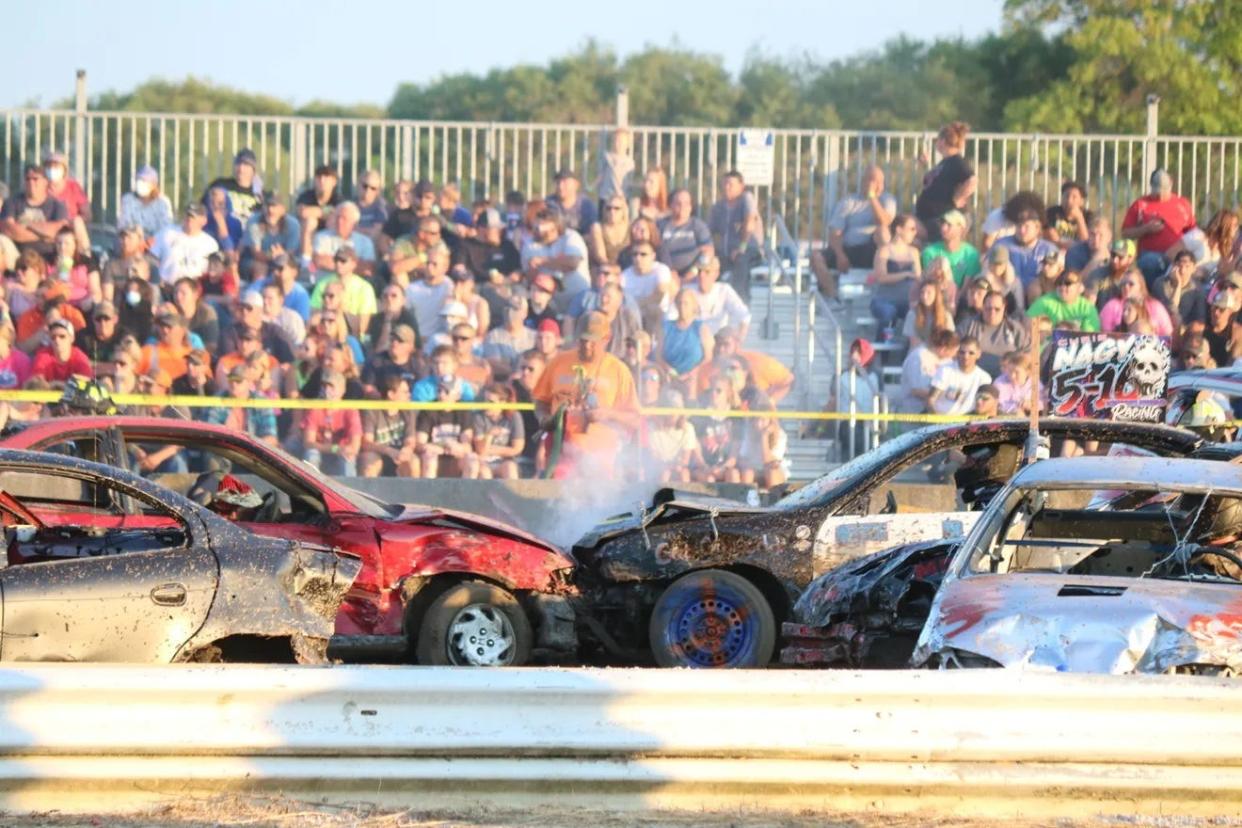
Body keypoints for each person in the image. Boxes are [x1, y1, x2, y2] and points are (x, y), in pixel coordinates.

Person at [532, 311, 640, 480]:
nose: (587, 346)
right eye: (582, 340)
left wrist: (607, 414)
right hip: (561, 455)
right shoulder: (558, 362)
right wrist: (544, 418)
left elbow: (635, 419)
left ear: (607, 338)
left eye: (593, 341)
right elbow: (540, 401)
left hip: (599, 461)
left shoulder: (618, 370)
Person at [814, 165, 897, 299]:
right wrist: (840, 255)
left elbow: (884, 221)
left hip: (873, 251)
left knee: (882, 232)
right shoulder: (848, 201)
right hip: (848, 250)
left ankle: (883, 283)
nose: (874, 185)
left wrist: (872, 197)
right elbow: (835, 232)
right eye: (870, 180)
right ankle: (832, 296)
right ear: (863, 182)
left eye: (878, 181)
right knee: (816, 257)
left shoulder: (887, 200)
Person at [1122, 169, 1196, 286]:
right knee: (1150, 262)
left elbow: (1192, 233)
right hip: (1150, 255)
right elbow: (1125, 233)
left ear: (1171, 185)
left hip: (1178, 257)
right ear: (1151, 186)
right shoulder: (1140, 204)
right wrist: (1146, 229)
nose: (1160, 195)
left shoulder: (1183, 204)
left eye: (1164, 191)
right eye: (1157, 191)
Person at [708, 170, 763, 303]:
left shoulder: (746, 199)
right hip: (725, 254)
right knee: (709, 265)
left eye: (731, 184)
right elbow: (708, 231)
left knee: (741, 260)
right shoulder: (718, 207)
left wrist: (741, 247)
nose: (727, 187)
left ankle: (741, 303)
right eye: (725, 183)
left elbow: (749, 221)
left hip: (748, 250)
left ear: (741, 186)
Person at [915, 122, 976, 241]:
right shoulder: (945, 162)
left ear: (942, 141)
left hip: (944, 220)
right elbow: (936, 183)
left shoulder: (956, 161)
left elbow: (972, 180)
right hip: (932, 218)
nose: (935, 143)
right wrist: (925, 166)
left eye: (937, 139)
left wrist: (958, 198)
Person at [521, 207, 590, 304]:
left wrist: (542, 261)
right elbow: (529, 278)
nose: (538, 231)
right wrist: (533, 269)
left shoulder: (571, 237)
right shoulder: (530, 245)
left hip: (578, 298)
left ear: (555, 227)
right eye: (536, 227)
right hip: (548, 302)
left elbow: (573, 263)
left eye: (542, 227)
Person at [870, 214, 922, 338]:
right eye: (911, 229)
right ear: (899, 229)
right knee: (888, 313)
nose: (915, 232)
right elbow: (881, 277)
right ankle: (884, 352)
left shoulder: (914, 252)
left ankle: (907, 351)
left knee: (918, 316)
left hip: (907, 300)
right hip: (885, 299)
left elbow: (918, 277)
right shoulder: (884, 251)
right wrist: (906, 274)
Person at [416, 375, 478, 479]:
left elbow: (467, 445)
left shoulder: (464, 411)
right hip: (435, 453)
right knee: (429, 457)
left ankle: (466, 494)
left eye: (446, 391)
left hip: (455, 454)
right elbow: (420, 443)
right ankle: (428, 494)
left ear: (457, 395)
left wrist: (457, 447)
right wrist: (444, 446)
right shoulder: (428, 410)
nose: (441, 394)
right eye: (439, 390)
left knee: (472, 460)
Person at [0, 164, 68, 259]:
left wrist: (27, 225)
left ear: (45, 182)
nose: (31, 182)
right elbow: (9, 230)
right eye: (28, 179)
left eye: (35, 179)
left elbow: (57, 232)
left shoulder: (57, 205)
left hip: (49, 256)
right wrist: (44, 235)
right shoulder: (11, 202)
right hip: (17, 256)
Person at [300, 371, 362, 476]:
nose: (327, 390)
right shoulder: (315, 408)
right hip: (320, 451)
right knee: (311, 454)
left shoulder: (350, 411)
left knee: (348, 457)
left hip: (341, 453)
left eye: (332, 387)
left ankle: (348, 490)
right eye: (325, 386)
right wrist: (334, 448)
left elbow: (355, 447)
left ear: (342, 390)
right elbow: (308, 442)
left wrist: (343, 450)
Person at [359, 373, 419, 478]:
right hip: (379, 452)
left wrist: (407, 449)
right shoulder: (372, 411)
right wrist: (389, 451)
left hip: (399, 454)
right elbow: (367, 443)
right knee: (368, 459)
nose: (409, 395)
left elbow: (410, 439)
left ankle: (412, 494)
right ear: (391, 394)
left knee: (413, 461)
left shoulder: (408, 411)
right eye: (405, 392)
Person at [994, 194, 1059, 288]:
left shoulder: (1048, 249)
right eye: (1019, 226)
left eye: (1026, 226)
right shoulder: (1002, 244)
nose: (1022, 230)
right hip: (1007, 291)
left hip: (1037, 294)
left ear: (1037, 228)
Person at [961, 290, 1030, 377]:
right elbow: (955, 348)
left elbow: (1029, 353)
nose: (992, 313)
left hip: (1007, 379)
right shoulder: (968, 325)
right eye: (988, 308)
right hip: (973, 377)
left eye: (997, 309)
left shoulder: (1014, 328)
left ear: (1004, 308)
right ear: (982, 307)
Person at [833, 338, 882, 459]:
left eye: (859, 352)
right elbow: (832, 402)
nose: (854, 355)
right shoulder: (842, 377)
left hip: (869, 424)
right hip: (847, 423)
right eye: (853, 351)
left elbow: (881, 402)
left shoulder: (875, 377)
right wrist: (819, 428)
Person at [206, 365, 279, 445]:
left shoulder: (261, 402)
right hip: (221, 450)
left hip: (251, 453)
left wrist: (252, 449)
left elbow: (270, 437)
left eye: (238, 381)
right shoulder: (218, 400)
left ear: (249, 382)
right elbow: (210, 432)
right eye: (231, 379)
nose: (234, 384)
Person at [685, 253, 750, 339]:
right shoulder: (686, 291)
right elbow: (671, 316)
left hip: (718, 344)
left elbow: (744, 315)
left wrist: (739, 339)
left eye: (707, 272)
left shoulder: (724, 290)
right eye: (699, 271)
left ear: (716, 274)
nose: (701, 275)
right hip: (693, 343)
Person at [152, 203, 219, 284]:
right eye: (188, 215)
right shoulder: (167, 232)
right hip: (165, 286)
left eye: (194, 216)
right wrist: (158, 280)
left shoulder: (210, 244)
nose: (189, 219)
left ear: (204, 220)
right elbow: (152, 257)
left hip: (194, 289)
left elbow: (213, 270)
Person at [659, 289, 714, 385]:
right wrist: (668, 370)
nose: (682, 307)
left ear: (693, 306)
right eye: (679, 303)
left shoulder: (701, 328)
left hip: (694, 379)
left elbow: (708, 358)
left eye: (686, 303)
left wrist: (690, 374)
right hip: (668, 376)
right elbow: (657, 355)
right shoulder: (666, 327)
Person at [622, 240, 677, 337]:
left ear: (653, 256)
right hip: (632, 317)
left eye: (643, 254)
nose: (638, 258)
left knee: (653, 309)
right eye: (635, 254)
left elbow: (658, 296)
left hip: (660, 316)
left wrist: (635, 306)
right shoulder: (625, 275)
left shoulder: (661, 270)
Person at [472, 382, 526, 480]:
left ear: (503, 402)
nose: (486, 404)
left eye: (491, 402)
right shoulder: (479, 417)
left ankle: (512, 495)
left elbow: (517, 448)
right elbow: (481, 451)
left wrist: (493, 450)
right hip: (484, 462)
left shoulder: (514, 416)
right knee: (484, 473)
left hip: (505, 461)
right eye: (484, 400)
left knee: (510, 469)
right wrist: (489, 435)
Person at [897, 328, 957, 415]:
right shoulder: (918, 357)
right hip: (917, 412)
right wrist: (947, 396)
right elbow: (917, 390)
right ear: (943, 349)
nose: (955, 355)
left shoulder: (947, 360)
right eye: (954, 352)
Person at [242, 192, 301, 278]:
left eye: (274, 206)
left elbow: (291, 252)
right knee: (261, 268)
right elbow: (256, 253)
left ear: (283, 209)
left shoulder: (293, 224)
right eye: (267, 206)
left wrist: (281, 256)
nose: (270, 210)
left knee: (287, 270)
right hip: (256, 260)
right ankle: (256, 290)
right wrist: (271, 256)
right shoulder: (254, 222)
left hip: (285, 259)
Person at [928, 336, 992, 416]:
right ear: (957, 353)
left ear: (978, 354)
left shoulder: (984, 378)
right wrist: (937, 419)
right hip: (940, 418)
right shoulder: (945, 370)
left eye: (971, 353)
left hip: (966, 421)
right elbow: (931, 399)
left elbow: (984, 406)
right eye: (962, 352)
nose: (966, 357)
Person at [657, 189, 714, 277]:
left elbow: (708, 251)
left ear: (691, 207)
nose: (682, 207)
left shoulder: (698, 226)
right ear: (670, 205)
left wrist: (693, 272)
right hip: (665, 275)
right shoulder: (660, 225)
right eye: (678, 203)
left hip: (693, 275)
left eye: (686, 203)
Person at [1099, 271, 1175, 336]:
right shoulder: (1111, 306)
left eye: (1131, 284)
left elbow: (1168, 336)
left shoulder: (1156, 306)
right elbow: (1105, 336)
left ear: (1141, 286)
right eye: (1123, 284)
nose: (1126, 287)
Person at [737, 394, 788, 489]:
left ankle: (774, 501)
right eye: (757, 420)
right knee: (747, 472)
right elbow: (742, 457)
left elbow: (768, 461)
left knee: (771, 472)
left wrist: (764, 436)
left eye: (763, 420)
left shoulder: (780, 435)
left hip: (772, 471)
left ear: (770, 421)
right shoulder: (749, 432)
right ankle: (744, 501)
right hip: (753, 469)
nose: (760, 423)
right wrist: (747, 464)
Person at [453, 207, 521, 279]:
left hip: (506, 284)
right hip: (477, 286)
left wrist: (515, 275)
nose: (499, 232)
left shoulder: (506, 245)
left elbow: (518, 268)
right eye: (495, 228)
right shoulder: (466, 245)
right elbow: (459, 268)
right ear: (482, 229)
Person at [312, 202, 377, 276]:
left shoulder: (365, 242)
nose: (339, 221)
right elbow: (319, 261)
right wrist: (354, 263)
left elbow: (368, 269)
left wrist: (333, 261)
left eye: (344, 218)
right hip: (326, 283)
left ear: (354, 224)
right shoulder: (322, 237)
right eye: (338, 217)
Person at [920, 209, 980, 287]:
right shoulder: (929, 252)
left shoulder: (971, 254)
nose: (943, 228)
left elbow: (967, 285)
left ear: (961, 228)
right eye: (942, 224)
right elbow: (930, 281)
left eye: (949, 225)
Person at [1154, 249, 1208, 334]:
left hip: (1185, 331)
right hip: (1163, 327)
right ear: (1174, 266)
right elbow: (1171, 310)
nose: (1183, 271)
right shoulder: (1161, 283)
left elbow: (1200, 317)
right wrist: (1178, 285)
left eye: (1187, 266)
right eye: (1179, 266)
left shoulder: (1197, 289)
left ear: (1194, 269)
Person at [405, 243, 454, 337]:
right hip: (418, 339)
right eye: (428, 263)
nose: (429, 267)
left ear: (445, 267)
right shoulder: (412, 289)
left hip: (441, 340)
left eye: (434, 264)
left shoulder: (449, 286)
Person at [1026, 271, 1101, 332]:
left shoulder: (1087, 308)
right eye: (1059, 283)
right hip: (1047, 348)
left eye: (1068, 283)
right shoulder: (1044, 302)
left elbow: (1090, 337)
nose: (1062, 287)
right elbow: (1027, 326)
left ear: (1080, 288)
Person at [202, 149, 263, 224]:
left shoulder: (259, 195)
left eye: (246, 165)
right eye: (238, 163)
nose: (241, 168)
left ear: (253, 170)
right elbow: (203, 208)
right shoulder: (220, 185)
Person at [119, 165, 174, 240]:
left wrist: (151, 241)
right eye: (138, 180)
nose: (140, 183)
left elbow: (166, 228)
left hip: (156, 243)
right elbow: (123, 225)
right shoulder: (128, 200)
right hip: (133, 242)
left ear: (154, 185)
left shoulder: (163, 202)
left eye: (144, 181)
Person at [31, 318, 91, 385]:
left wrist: (58, 384)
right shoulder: (43, 355)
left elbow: (87, 382)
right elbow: (36, 382)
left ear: (72, 338)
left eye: (62, 336)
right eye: (53, 337)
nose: (57, 340)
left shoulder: (80, 357)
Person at [904, 277, 954, 349]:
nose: (925, 296)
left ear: (936, 295)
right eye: (922, 292)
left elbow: (949, 340)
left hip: (940, 353)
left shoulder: (946, 316)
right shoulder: (912, 314)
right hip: (918, 353)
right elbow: (914, 342)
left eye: (929, 293)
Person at [546, 169, 597, 235]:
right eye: (558, 182)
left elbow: (592, 231)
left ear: (576, 185)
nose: (560, 187)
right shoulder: (548, 204)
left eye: (565, 182)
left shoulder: (586, 205)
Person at [1045, 180, 1094, 249]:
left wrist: (1079, 218)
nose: (1069, 200)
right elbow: (1051, 236)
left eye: (1074, 197)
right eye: (1066, 196)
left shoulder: (1088, 216)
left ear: (1081, 201)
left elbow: (1086, 240)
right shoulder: (1053, 212)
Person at [597, 127, 635, 206]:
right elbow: (601, 175)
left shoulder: (629, 162)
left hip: (622, 198)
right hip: (606, 196)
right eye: (616, 140)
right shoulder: (607, 157)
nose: (618, 143)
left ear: (628, 144)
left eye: (622, 141)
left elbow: (629, 180)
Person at [203, 184, 244, 256]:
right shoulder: (203, 221)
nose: (216, 206)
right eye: (212, 202)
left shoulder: (235, 223)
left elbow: (230, 252)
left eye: (220, 203)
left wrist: (221, 225)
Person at [993, 351, 1036, 416]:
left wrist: (1031, 405)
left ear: (1028, 371)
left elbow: (1043, 404)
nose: (1012, 376)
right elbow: (999, 405)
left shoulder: (1035, 384)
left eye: (1017, 372)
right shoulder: (999, 382)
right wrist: (1015, 409)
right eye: (1010, 371)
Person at [354, 169, 389, 241]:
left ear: (378, 191)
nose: (368, 190)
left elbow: (376, 233)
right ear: (358, 184)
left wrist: (357, 230)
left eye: (373, 188)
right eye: (365, 186)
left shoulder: (381, 207)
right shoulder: (351, 205)